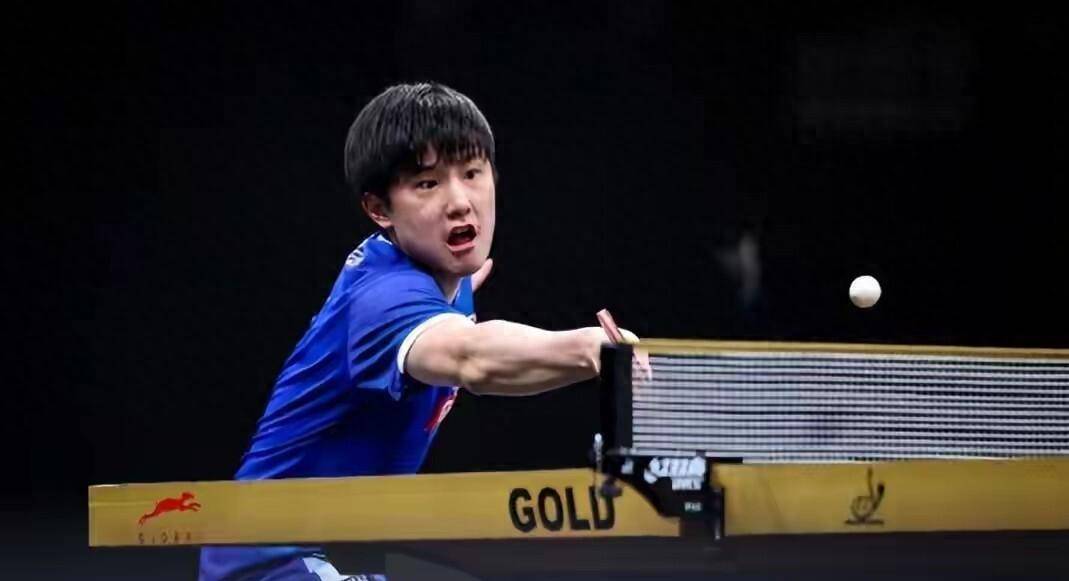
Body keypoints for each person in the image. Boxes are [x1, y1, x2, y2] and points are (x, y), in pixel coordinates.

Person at [198, 82, 634, 580]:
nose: (460, 202)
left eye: (472, 173)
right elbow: (473, 359)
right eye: (427, 184)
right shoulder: (383, 298)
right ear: (379, 209)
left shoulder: (445, 276)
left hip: (332, 550)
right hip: (268, 561)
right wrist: (590, 348)